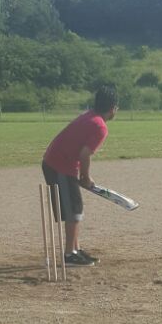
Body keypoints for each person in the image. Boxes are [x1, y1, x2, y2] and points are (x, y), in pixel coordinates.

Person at [41, 86, 118, 266]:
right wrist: (85, 177)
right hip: (58, 165)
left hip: (58, 163)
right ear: (113, 108)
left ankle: (75, 248)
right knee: (73, 211)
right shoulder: (100, 126)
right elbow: (85, 154)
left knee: (75, 208)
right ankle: (69, 254)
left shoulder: (90, 116)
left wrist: (82, 177)